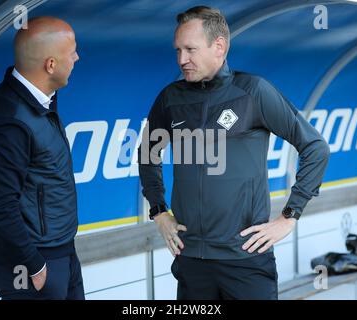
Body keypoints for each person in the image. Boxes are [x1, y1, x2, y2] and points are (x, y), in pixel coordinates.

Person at [138, 6, 330, 300]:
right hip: (191, 260)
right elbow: (148, 153)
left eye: (190, 49)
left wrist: (289, 216)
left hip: (246, 260)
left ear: (219, 46)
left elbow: (315, 147)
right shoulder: (170, 98)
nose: (182, 59)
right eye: (177, 50)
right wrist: (159, 211)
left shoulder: (252, 91)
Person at [0, 16, 83, 300]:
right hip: (32, 263)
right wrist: (35, 266)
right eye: (71, 51)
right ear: (50, 65)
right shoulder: (11, 121)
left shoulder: (38, 98)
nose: (76, 57)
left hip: (61, 253)